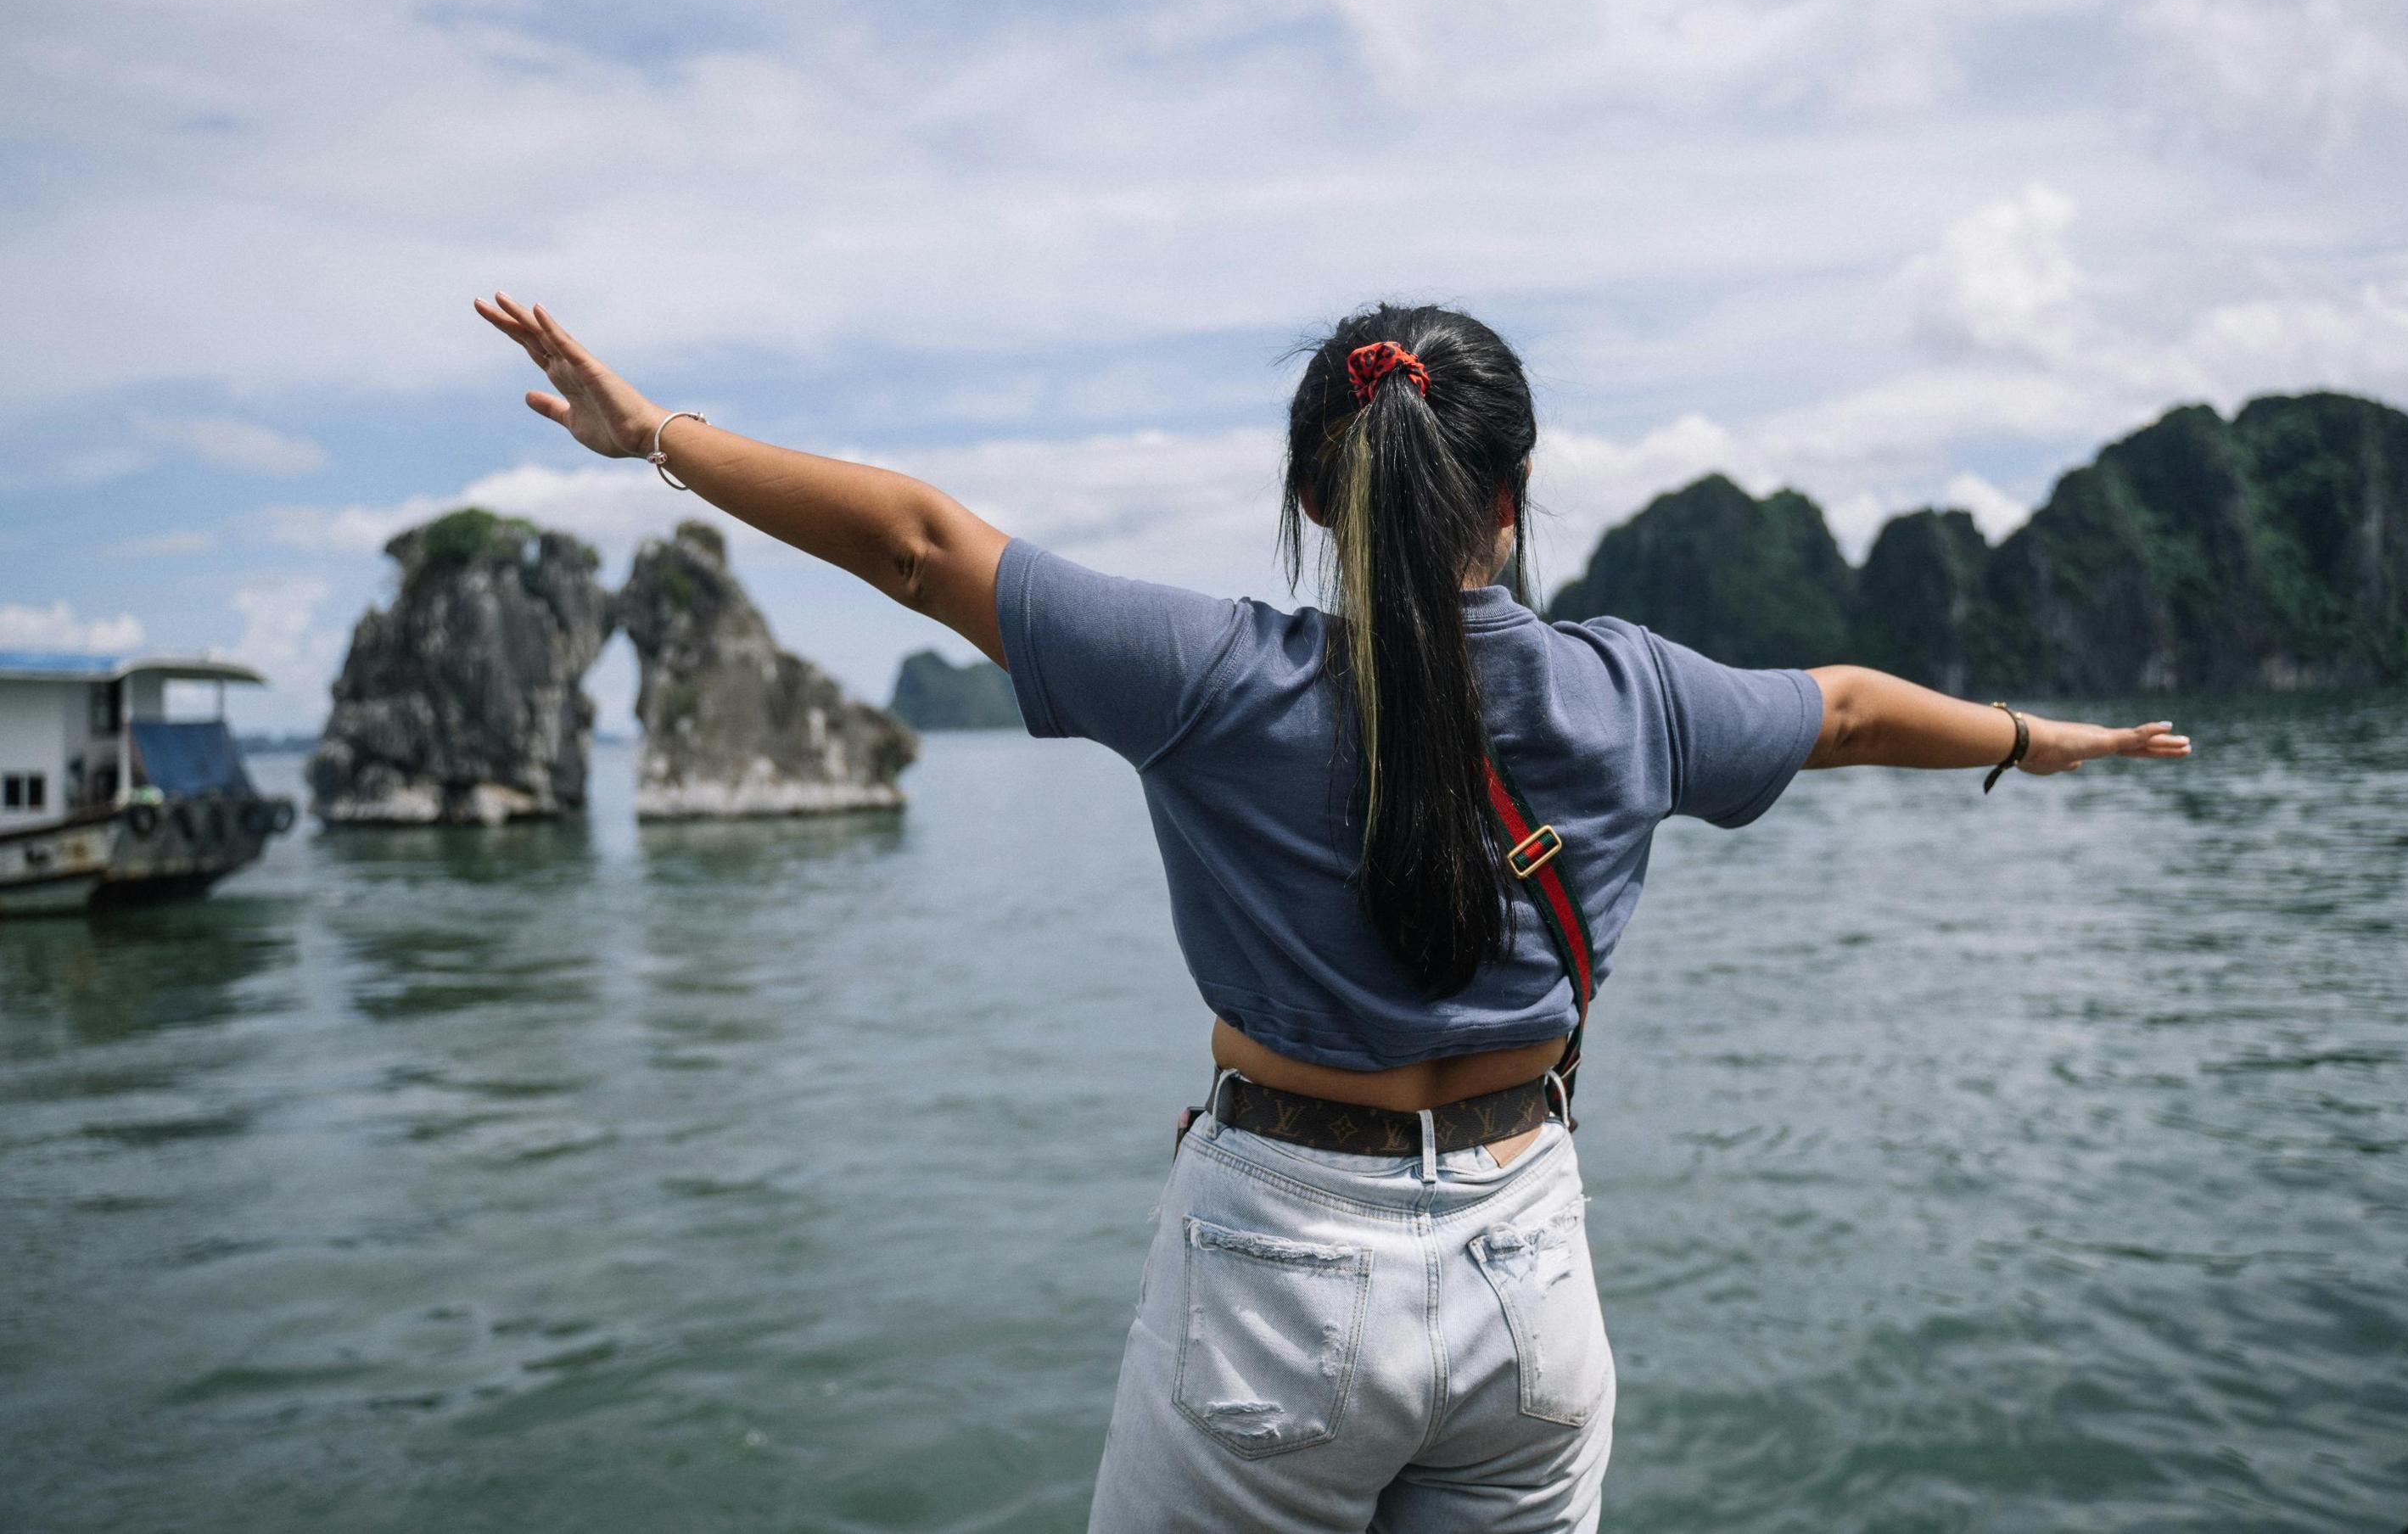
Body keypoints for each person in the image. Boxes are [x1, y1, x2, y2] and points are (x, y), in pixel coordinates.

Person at [476, 294, 2191, 1531]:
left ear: (1317, 499)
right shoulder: (1634, 694)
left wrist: (658, 440)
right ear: (1510, 504)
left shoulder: (1216, 678)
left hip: (1277, 1279)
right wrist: (2045, 742)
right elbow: (1845, 708)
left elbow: (924, 548)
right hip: (1533, 1280)